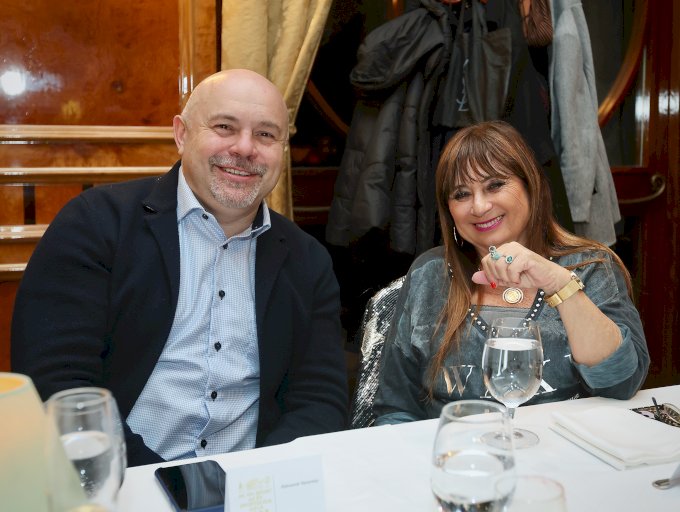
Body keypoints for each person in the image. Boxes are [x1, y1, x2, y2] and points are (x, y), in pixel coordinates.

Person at [11, 69, 349, 465]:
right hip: (120, 476)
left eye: (265, 134)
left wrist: (259, 479)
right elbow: (61, 387)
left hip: (251, 483)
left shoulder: (308, 261)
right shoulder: (96, 225)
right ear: (182, 134)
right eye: (224, 127)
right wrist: (171, 485)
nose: (245, 148)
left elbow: (319, 401)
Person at [372, 120, 649, 424]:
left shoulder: (590, 266)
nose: (479, 206)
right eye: (461, 194)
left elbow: (621, 384)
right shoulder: (430, 274)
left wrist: (560, 284)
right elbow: (396, 408)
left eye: (494, 185)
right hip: (458, 448)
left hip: (563, 448)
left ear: (531, 186)